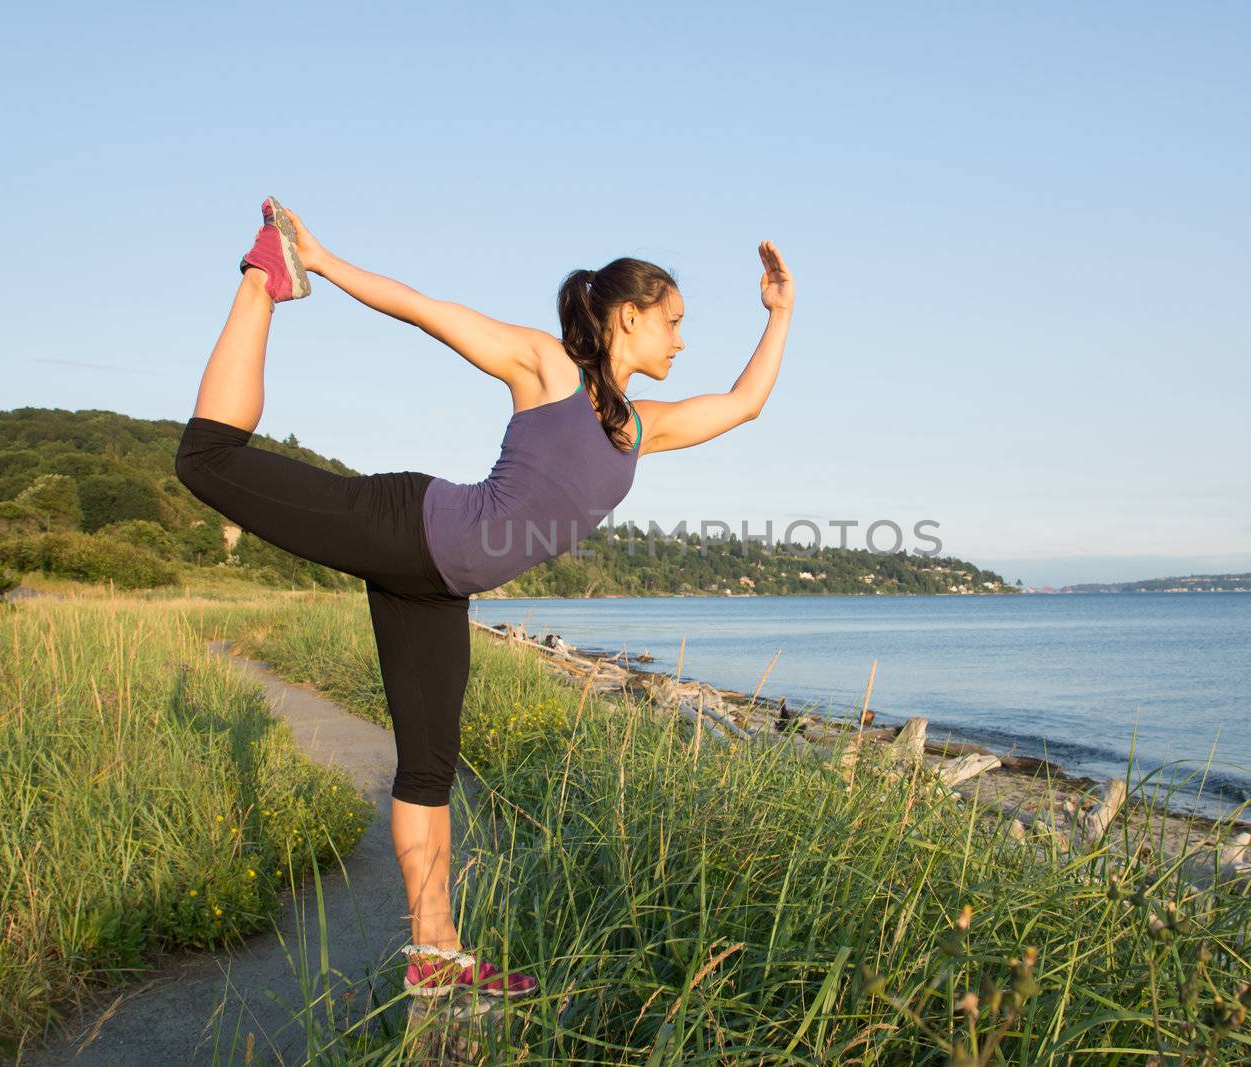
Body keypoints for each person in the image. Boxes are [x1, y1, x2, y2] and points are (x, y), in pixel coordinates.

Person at [174, 198, 794, 1000]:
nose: (681, 339)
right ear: (630, 316)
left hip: (438, 587)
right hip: (405, 525)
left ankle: (436, 958)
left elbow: (745, 403)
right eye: (672, 321)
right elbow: (428, 310)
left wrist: (779, 312)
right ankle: (265, 276)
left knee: (429, 770)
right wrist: (318, 262)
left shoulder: (642, 428)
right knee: (207, 459)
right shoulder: (547, 366)